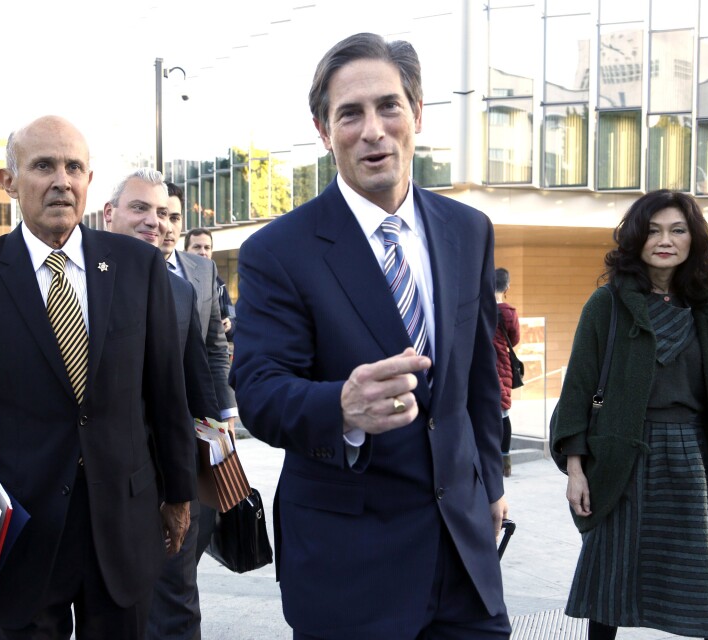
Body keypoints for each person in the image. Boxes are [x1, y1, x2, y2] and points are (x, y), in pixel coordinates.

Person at [229, 33, 510, 639]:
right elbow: (258, 391)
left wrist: (490, 479)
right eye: (349, 114)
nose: (373, 130)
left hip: (465, 561)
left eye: (388, 106)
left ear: (417, 114)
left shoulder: (468, 230)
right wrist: (342, 406)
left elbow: (478, 376)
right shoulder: (277, 252)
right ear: (323, 130)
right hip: (348, 569)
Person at [0, 115, 196, 639]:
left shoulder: (138, 266)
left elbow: (167, 393)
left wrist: (179, 495)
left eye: (74, 167)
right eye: (43, 166)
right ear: (10, 181)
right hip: (23, 536)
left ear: (89, 181)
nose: (61, 181)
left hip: (123, 526)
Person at [551, 190, 708, 640]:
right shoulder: (607, 304)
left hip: (692, 460)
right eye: (654, 230)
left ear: (693, 239)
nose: (666, 240)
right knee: (610, 587)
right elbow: (579, 388)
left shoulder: (706, 307)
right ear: (636, 238)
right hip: (623, 456)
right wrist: (575, 468)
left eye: (678, 230)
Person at [104, 169, 221, 640]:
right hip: (95, 488)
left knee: (176, 609)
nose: (154, 222)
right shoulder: (69, 281)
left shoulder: (181, 290)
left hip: (168, 486)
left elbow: (197, 388)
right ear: (109, 213)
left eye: (161, 212)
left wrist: (215, 453)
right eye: (140, 209)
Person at [158, 182, 239, 563]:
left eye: (175, 217)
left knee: (201, 522)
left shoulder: (203, 271)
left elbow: (214, 350)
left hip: (201, 418)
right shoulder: (128, 266)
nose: (168, 226)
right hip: (153, 428)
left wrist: (226, 418)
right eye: (162, 216)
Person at [492, 268, 520, 478]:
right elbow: (515, 340)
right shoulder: (508, 313)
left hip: (481, 366)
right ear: (507, 287)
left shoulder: (479, 308)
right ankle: (505, 462)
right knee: (503, 413)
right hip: (502, 366)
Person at [185, 227, 235, 341]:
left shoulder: (220, 285)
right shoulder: (177, 278)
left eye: (207, 248)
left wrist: (230, 324)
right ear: (186, 250)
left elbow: (232, 317)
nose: (203, 252)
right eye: (197, 247)